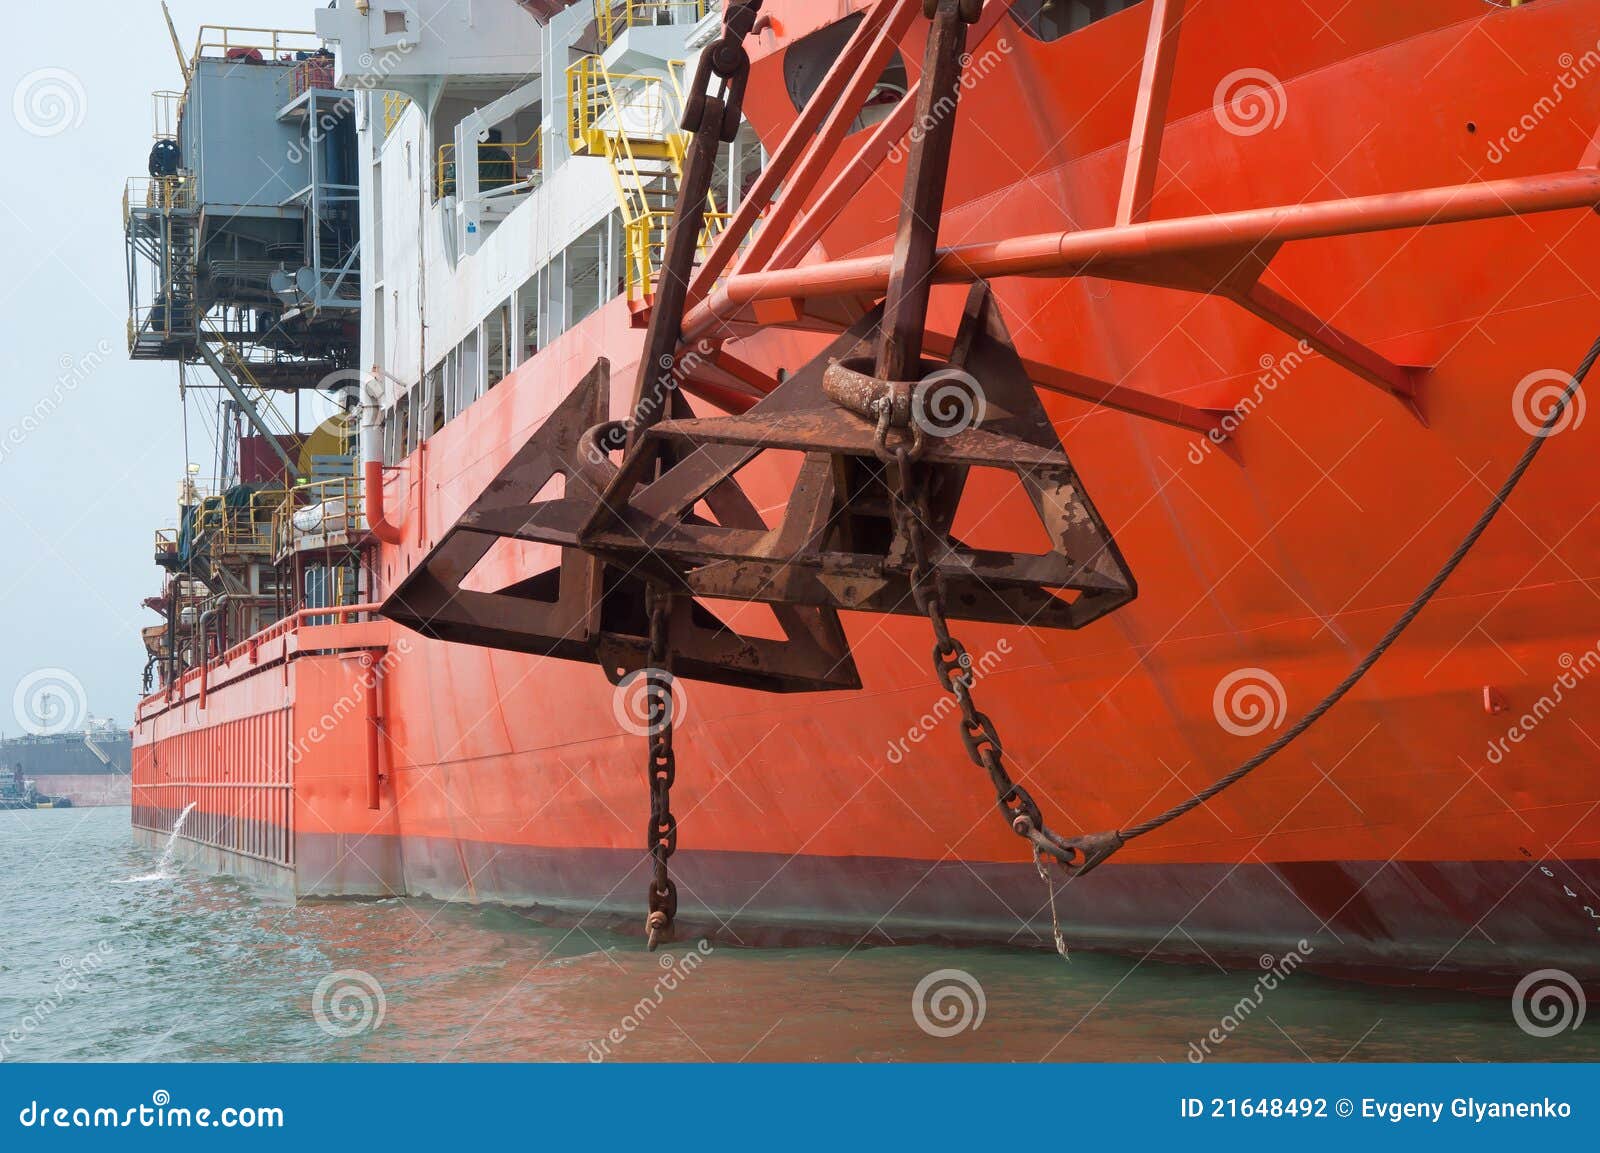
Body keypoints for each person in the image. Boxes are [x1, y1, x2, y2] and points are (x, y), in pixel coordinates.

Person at [478, 128, 515, 193]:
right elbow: (511, 173)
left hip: (477, 188)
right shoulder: (502, 155)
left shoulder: (471, 154)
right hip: (502, 189)